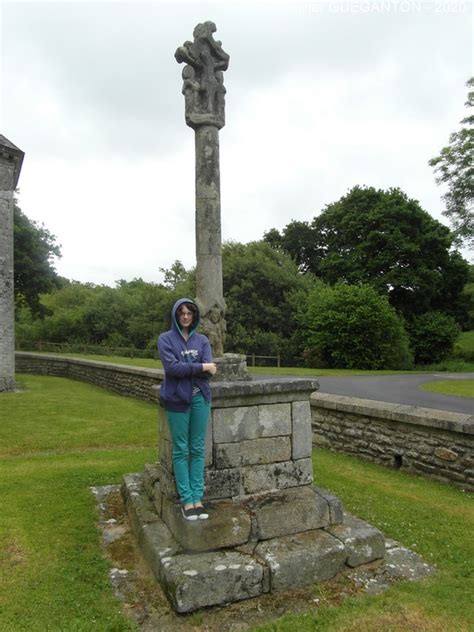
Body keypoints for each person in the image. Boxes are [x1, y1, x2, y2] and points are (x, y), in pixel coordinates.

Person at [158, 298, 217, 521]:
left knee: (197, 448)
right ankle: (187, 500)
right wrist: (201, 366)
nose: (185, 316)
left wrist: (193, 369)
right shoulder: (165, 339)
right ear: (175, 315)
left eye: (189, 313)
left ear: (194, 316)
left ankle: (197, 498)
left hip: (200, 399)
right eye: (181, 313)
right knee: (181, 449)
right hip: (176, 400)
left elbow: (211, 371)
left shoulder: (202, 340)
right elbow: (172, 368)